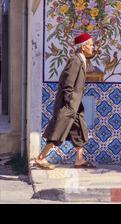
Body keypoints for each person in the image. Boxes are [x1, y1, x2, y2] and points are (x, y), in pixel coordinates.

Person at [34, 33, 96, 170]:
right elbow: (67, 82)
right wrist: (69, 102)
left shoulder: (82, 59)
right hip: (69, 104)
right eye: (91, 44)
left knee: (80, 128)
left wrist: (75, 103)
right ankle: (41, 158)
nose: (93, 47)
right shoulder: (75, 61)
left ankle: (79, 159)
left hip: (75, 104)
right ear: (83, 47)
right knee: (59, 130)